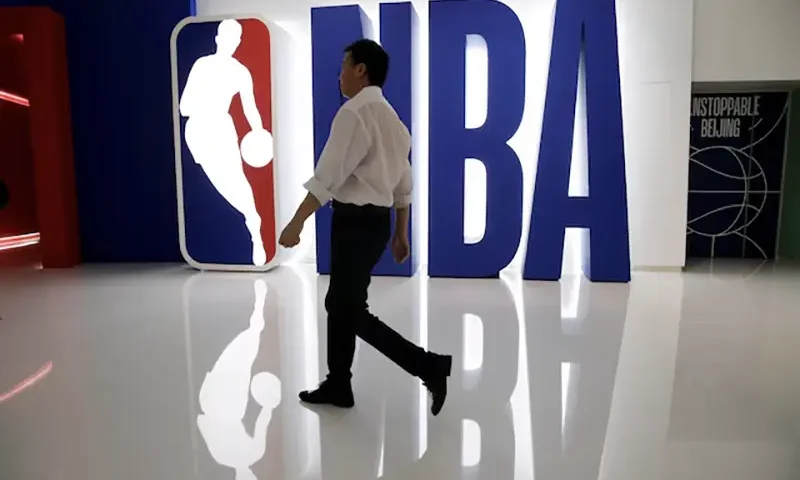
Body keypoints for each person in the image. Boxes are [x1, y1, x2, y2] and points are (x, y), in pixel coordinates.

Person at [278, 39, 452, 416]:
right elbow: (403, 184)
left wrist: (295, 222)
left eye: (344, 65)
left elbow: (327, 177)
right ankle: (339, 383)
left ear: (361, 69)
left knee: (346, 307)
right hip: (376, 224)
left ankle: (428, 366)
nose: (339, 73)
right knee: (343, 304)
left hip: (354, 224)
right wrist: (400, 231)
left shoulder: (353, 114)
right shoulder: (393, 121)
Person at [179, 19, 268, 266]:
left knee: (236, 179)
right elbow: (184, 105)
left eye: (234, 38)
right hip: (199, 129)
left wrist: (259, 132)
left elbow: (250, 108)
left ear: (238, 43)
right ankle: (252, 219)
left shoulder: (240, 72)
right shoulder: (202, 65)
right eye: (226, 37)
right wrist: (203, 103)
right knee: (221, 181)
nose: (230, 42)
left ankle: (254, 226)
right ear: (217, 38)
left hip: (221, 128)